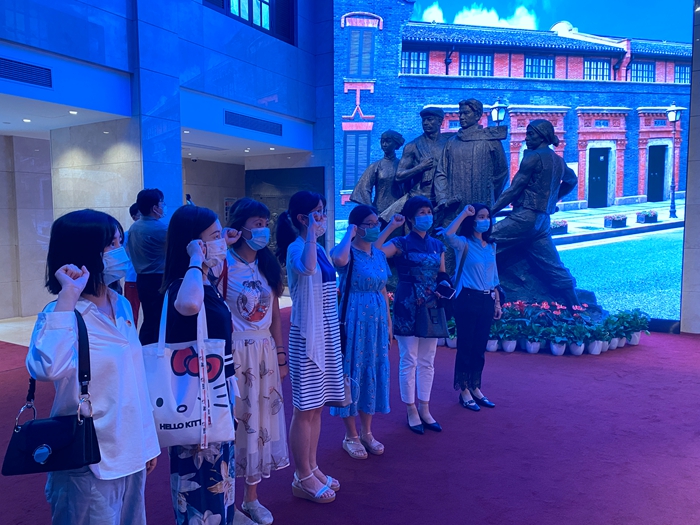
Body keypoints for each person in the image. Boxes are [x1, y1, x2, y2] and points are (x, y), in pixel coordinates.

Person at [27, 209, 160, 525]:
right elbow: (46, 368)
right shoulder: (62, 314)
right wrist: (68, 296)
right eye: (111, 244)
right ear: (84, 253)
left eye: (119, 241)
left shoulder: (121, 304)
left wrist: (147, 442)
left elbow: (134, 381)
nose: (120, 251)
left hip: (130, 449)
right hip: (87, 457)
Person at [161, 204, 244, 525]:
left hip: (216, 392)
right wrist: (196, 258)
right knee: (200, 481)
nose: (221, 241)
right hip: (198, 398)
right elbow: (189, 304)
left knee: (219, 477)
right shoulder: (185, 284)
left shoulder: (203, 279)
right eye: (214, 236)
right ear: (193, 243)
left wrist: (220, 246)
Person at [216, 198, 290, 525]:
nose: (263, 229)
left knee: (260, 424)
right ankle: (227, 500)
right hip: (235, 354)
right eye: (256, 223)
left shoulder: (267, 264)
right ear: (240, 227)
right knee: (235, 425)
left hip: (264, 353)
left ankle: (252, 497)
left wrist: (281, 354)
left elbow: (274, 314)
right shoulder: (224, 264)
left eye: (265, 223)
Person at [276, 191, 344, 504]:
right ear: (302, 218)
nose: (323, 216)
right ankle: (301, 475)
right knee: (304, 409)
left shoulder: (320, 248)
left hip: (326, 334)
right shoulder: (296, 248)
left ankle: (312, 467)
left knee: (317, 407)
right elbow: (306, 268)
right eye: (317, 212)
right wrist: (310, 237)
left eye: (324, 210)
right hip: (307, 337)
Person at [375, 196, 447, 435]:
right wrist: (391, 226)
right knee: (409, 358)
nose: (427, 216)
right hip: (407, 305)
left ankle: (425, 407)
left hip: (432, 305)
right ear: (411, 218)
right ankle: (411, 409)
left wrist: (446, 288)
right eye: (421, 212)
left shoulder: (438, 246)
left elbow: (442, 275)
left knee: (428, 359)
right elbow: (375, 250)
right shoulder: (400, 243)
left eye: (429, 211)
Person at [490, 118, 580, 308]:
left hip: (524, 218)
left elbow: (514, 189)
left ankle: (483, 292)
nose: (526, 138)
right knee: (553, 265)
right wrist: (553, 199)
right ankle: (576, 308)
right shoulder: (558, 160)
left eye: (530, 134)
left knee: (484, 241)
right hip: (542, 222)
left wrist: (488, 212)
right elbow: (572, 180)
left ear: (542, 136)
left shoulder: (533, 157)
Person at [330, 205, 392, 460]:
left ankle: (367, 432)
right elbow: (338, 260)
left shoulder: (379, 255)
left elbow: (383, 289)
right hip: (354, 319)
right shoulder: (348, 252)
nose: (375, 227)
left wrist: (389, 323)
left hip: (377, 321)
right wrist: (349, 233)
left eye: (377, 223)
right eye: (369, 223)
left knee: (372, 370)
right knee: (352, 372)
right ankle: (351, 435)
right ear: (357, 226)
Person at [440, 204, 502, 411]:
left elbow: (494, 276)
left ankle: (476, 386)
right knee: (466, 346)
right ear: (473, 221)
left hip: (487, 299)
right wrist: (465, 213)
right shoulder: (463, 243)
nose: (485, 220)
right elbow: (448, 234)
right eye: (480, 217)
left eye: (487, 217)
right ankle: (464, 389)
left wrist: (497, 302)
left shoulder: (491, 245)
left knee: (479, 347)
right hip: (467, 298)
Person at [433, 98, 509, 218]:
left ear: (477, 115)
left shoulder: (491, 142)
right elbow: (441, 172)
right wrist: (443, 198)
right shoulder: (451, 143)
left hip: (482, 205)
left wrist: (489, 194)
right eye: (460, 114)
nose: (462, 117)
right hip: (455, 207)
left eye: (466, 113)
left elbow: (502, 174)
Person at [383, 107, 450, 222]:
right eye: (424, 120)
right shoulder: (413, 146)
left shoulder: (448, 143)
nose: (426, 123)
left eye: (429, 119)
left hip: (443, 197)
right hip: (419, 197)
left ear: (440, 121)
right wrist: (420, 167)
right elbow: (399, 176)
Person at [126, 188, 167, 345]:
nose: (163, 206)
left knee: (149, 319)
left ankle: (144, 349)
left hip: (142, 279)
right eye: (162, 203)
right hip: (158, 280)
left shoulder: (134, 227)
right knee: (159, 320)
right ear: (155, 208)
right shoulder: (161, 229)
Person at [350, 130, 406, 222]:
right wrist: (371, 210)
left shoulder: (402, 166)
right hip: (380, 211)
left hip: (398, 212)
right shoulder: (375, 166)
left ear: (396, 144)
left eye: (388, 141)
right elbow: (363, 188)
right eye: (382, 141)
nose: (384, 144)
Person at [123, 203, 141, 325]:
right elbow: (123, 255)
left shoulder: (154, 232)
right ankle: (131, 334)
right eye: (140, 214)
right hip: (132, 278)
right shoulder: (127, 235)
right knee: (132, 312)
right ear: (134, 217)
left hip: (151, 277)